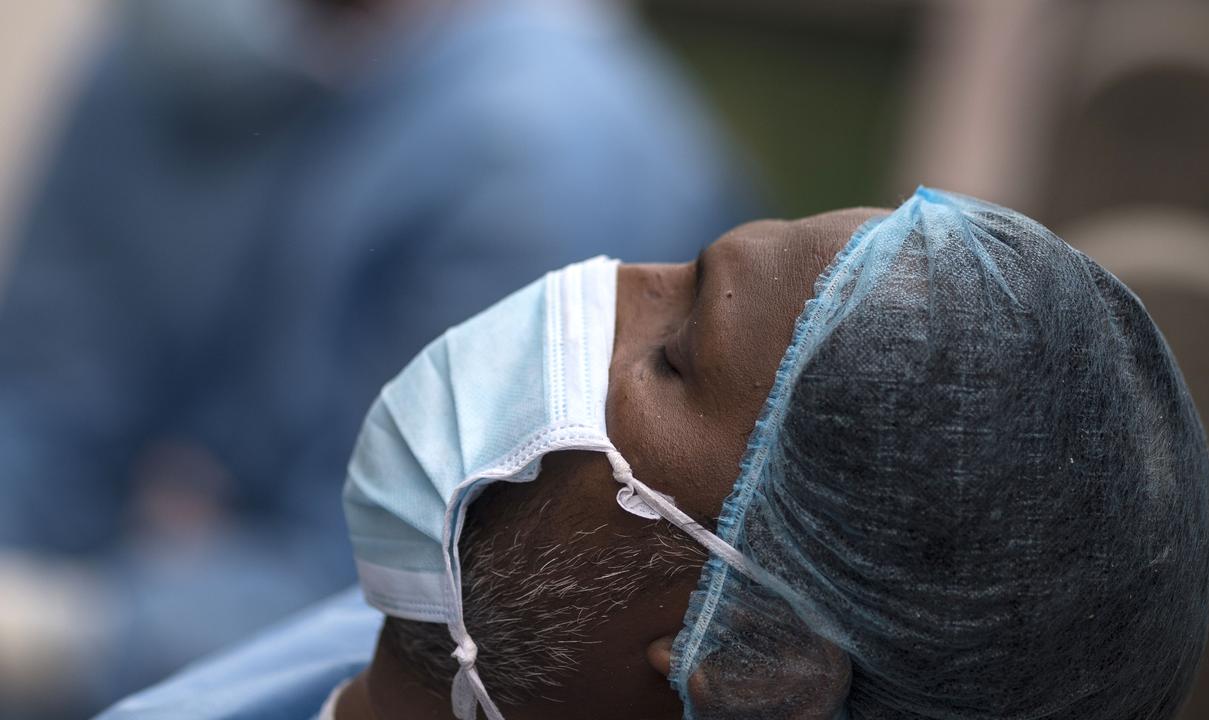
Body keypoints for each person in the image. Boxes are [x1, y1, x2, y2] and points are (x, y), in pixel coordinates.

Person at [97, 188, 1209, 720]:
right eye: (672, 270)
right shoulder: (428, 647)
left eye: (674, 355)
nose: (592, 293)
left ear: (742, 666)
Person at [0, 0, 752, 714]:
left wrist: (83, 637)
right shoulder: (179, 53)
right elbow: (50, 392)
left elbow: (411, 594)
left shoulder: (538, 152)